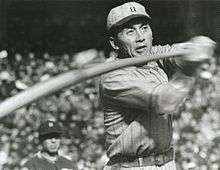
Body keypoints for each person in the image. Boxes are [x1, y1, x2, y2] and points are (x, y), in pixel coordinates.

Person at [99, 2, 215, 170]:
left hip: (167, 163)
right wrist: (189, 70)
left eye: (144, 28)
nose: (140, 37)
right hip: (132, 166)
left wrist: (196, 45)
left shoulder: (150, 55)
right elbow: (165, 101)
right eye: (130, 31)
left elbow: (177, 53)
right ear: (115, 43)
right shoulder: (113, 77)